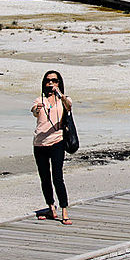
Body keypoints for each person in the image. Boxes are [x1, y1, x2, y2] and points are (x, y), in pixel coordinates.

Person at [31, 70, 74, 225]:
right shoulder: (39, 99)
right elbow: (35, 111)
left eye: (54, 80)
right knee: (45, 177)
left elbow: (69, 106)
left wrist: (60, 94)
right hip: (39, 143)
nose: (51, 83)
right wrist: (38, 108)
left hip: (57, 141)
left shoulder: (63, 99)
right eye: (48, 81)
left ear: (59, 82)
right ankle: (51, 207)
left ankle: (64, 209)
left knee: (57, 176)